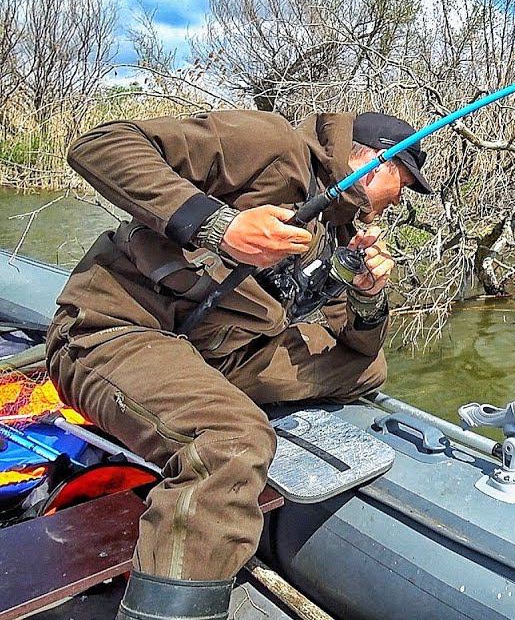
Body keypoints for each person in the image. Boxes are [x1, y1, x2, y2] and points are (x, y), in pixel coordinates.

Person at [44, 110, 431, 620]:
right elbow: (101, 142)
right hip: (116, 330)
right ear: (374, 161)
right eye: (402, 181)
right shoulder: (269, 143)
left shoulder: (342, 235)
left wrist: (368, 297)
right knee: (233, 441)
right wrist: (219, 226)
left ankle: (202, 401)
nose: (400, 199)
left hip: (211, 355)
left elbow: (357, 352)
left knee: (369, 370)